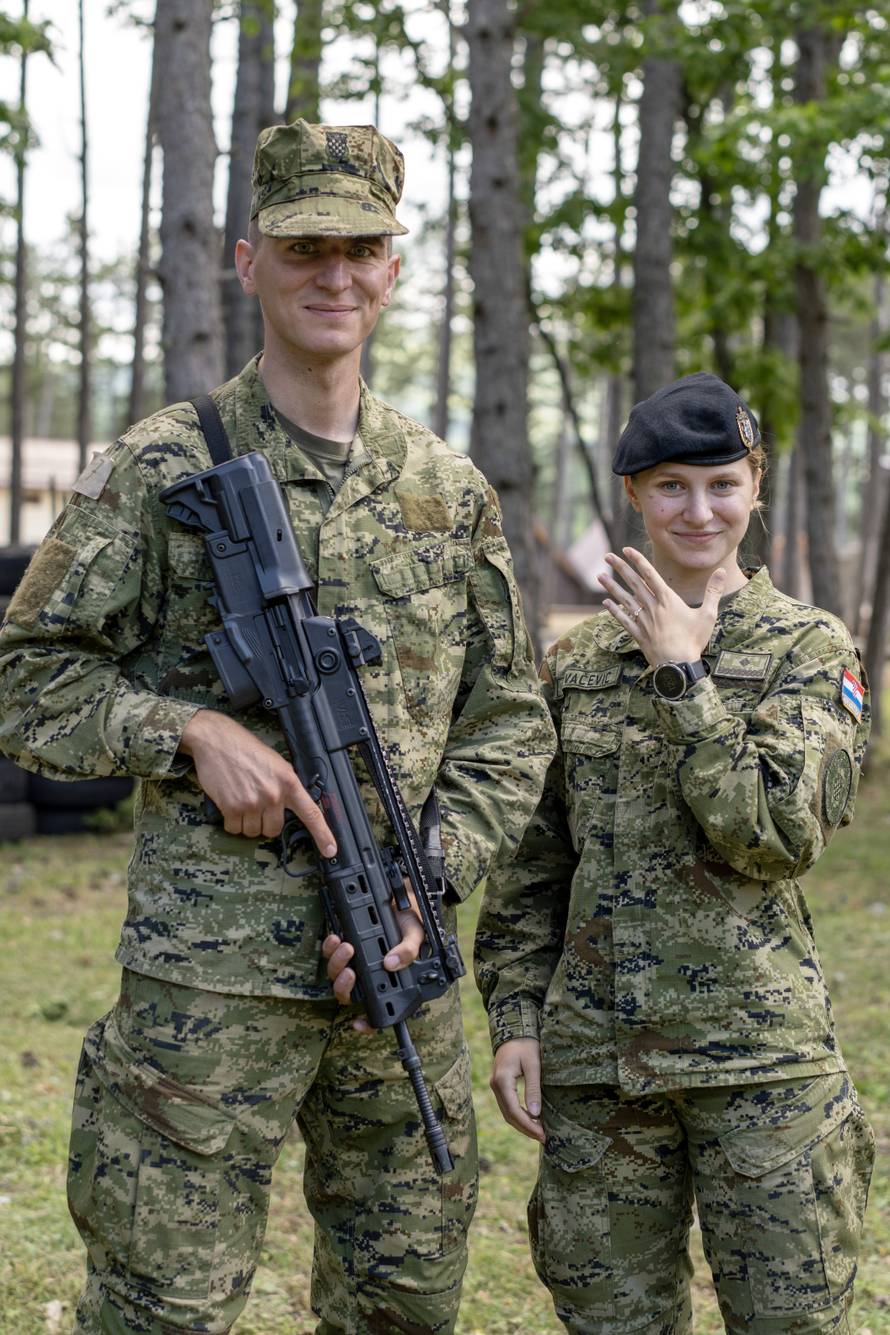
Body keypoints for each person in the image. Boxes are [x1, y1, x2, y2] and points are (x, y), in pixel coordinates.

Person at [0, 119, 555, 1334]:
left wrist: (430, 880)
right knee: (164, 1307)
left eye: (362, 248)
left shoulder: (446, 491)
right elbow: (25, 678)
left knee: (403, 1303)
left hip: (398, 972)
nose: (335, 275)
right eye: (305, 247)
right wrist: (187, 727)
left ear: (393, 271)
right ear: (248, 262)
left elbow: (509, 723)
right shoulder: (158, 467)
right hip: (209, 992)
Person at [475, 371, 875, 1333]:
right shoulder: (576, 664)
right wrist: (517, 1019)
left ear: (756, 486)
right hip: (600, 1068)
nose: (699, 510)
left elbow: (778, 834)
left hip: (760, 1066)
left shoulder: (809, 650)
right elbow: (533, 869)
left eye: (722, 484)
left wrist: (684, 675)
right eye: (671, 487)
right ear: (634, 497)